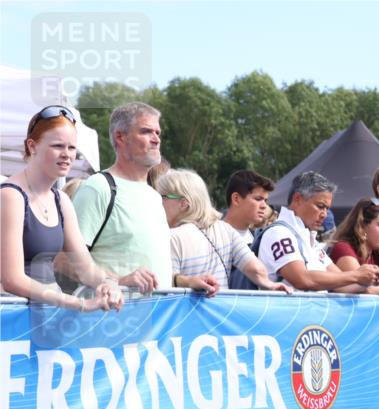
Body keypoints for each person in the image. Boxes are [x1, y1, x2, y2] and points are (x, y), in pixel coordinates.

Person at [1, 105, 123, 311]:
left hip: (46, 315)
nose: (67, 155)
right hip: (12, 318)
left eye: (72, 148)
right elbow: (12, 279)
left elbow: (85, 269)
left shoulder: (62, 201)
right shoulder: (11, 196)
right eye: (58, 146)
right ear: (32, 146)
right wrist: (79, 304)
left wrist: (107, 284)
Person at [72, 102, 171, 294]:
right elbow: (64, 262)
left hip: (158, 312)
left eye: (158, 133)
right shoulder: (98, 187)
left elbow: (153, 267)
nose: (156, 139)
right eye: (146, 131)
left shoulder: (154, 195)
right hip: (110, 312)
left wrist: (186, 280)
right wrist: (118, 281)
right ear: (120, 137)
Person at [155, 168, 290, 293]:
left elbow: (163, 285)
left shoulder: (171, 237)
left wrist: (185, 281)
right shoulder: (226, 230)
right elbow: (256, 269)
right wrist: (270, 284)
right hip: (220, 309)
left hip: (186, 310)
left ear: (184, 204)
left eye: (162, 197)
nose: (157, 203)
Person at [257, 171, 379, 292]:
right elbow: (302, 279)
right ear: (298, 199)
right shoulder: (279, 233)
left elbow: (344, 285)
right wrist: (356, 275)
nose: (324, 214)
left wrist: (371, 279)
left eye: (327, 208)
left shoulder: (308, 238)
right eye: (320, 206)